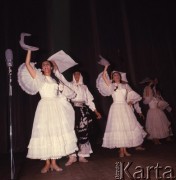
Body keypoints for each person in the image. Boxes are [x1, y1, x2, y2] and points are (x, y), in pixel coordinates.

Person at [18, 50, 78, 173]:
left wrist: (63, 93)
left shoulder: (56, 80)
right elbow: (27, 64)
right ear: (42, 67)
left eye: (48, 64)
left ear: (51, 67)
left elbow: (65, 93)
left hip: (56, 108)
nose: (46, 66)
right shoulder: (39, 78)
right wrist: (29, 50)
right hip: (44, 107)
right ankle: (47, 163)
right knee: (45, 133)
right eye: (43, 64)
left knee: (55, 133)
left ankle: (54, 163)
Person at [52, 67, 102, 165]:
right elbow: (62, 78)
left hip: (83, 111)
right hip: (72, 110)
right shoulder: (70, 85)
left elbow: (90, 100)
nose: (76, 76)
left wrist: (96, 112)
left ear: (81, 76)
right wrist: (56, 69)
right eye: (75, 74)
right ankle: (72, 156)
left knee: (84, 132)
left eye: (78, 74)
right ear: (73, 76)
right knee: (72, 132)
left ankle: (82, 155)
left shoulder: (85, 87)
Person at [96, 65, 146, 157]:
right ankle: (121, 150)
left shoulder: (125, 85)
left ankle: (125, 150)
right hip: (116, 107)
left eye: (117, 75)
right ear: (112, 77)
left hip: (124, 107)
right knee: (119, 127)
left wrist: (131, 100)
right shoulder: (111, 85)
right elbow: (103, 77)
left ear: (120, 76)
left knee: (125, 127)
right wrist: (106, 67)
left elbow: (132, 95)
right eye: (114, 75)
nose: (116, 76)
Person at [143, 79, 173, 145]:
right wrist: (149, 85)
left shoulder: (156, 97)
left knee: (161, 124)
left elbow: (161, 103)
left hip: (158, 111)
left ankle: (164, 137)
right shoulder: (149, 97)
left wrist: (161, 106)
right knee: (154, 125)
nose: (152, 91)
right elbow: (147, 95)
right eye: (151, 90)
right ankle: (155, 139)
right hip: (152, 112)